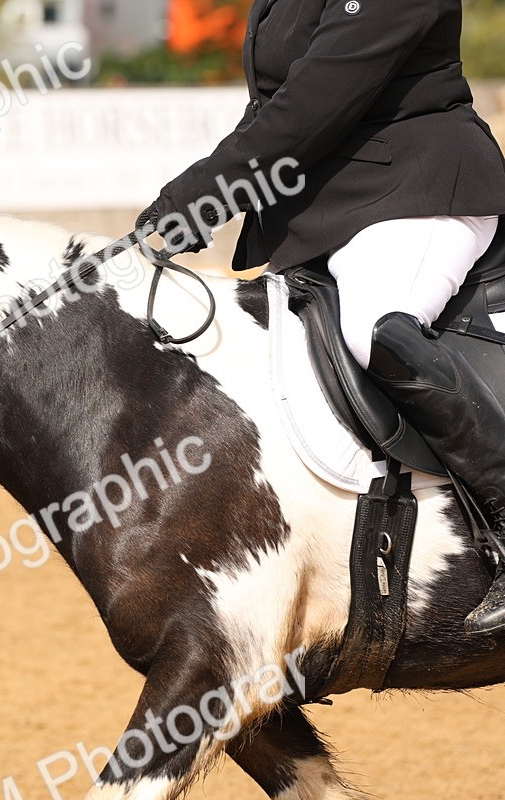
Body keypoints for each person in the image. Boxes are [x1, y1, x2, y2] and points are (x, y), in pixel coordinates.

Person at [138, 0, 505, 632]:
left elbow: (309, 109)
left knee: (374, 327)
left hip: (418, 189)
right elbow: (272, 111)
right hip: (335, 212)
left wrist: (193, 203)